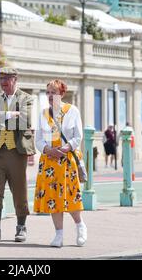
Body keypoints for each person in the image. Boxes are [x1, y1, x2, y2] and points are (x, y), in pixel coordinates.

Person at [0, 67, 36, 243]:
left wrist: (1, 116)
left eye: (7, 79)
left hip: (16, 152)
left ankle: (21, 227)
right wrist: (9, 114)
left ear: (15, 79)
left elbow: (25, 120)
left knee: (19, 191)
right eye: (1, 79)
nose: (4, 82)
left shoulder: (26, 98)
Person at [33, 79, 87, 248]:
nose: (50, 96)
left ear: (62, 94)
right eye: (48, 92)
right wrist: (48, 150)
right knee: (53, 199)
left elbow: (78, 136)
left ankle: (80, 225)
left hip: (67, 159)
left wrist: (64, 149)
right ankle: (59, 234)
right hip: (49, 160)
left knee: (70, 196)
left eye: (53, 92)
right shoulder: (43, 113)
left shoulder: (72, 111)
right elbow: (38, 139)